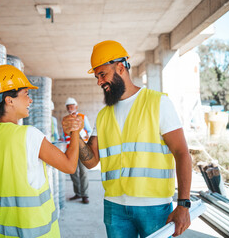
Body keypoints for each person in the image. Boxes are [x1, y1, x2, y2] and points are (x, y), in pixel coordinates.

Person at [62, 40, 192, 237]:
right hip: (115, 208)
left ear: (120, 67)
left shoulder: (158, 103)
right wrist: (76, 134)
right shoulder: (104, 115)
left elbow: (182, 153)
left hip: (154, 207)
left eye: (102, 74)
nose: (99, 81)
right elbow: (91, 161)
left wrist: (183, 204)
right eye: (97, 76)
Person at [0, 64, 83, 238]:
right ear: (9, 100)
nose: (30, 100)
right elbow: (70, 166)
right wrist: (75, 130)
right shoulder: (28, 135)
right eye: (26, 94)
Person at [63, 97, 92, 204]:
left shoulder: (83, 117)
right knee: (73, 171)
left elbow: (89, 131)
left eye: (72, 106)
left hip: (82, 149)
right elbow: (65, 134)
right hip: (70, 149)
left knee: (83, 172)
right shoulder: (66, 119)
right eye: (68, 107)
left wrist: (84, 135)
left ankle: (85, 195)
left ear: (76, 107)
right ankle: (78, 193)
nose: (70, 108)